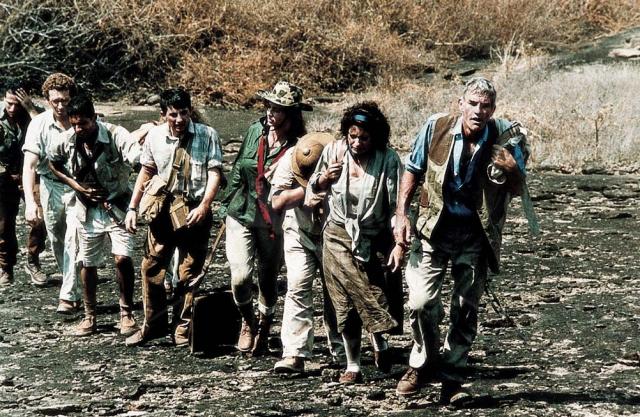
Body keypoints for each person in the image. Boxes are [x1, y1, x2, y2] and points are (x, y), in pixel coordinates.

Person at [391, 77, 529, 405]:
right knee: (421, 303)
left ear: (493, 109)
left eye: (486, 106)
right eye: (473, 104)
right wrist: (402, 214)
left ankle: (452, 375)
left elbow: (518, 190)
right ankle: (422, 363)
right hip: (433, 229)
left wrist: (512, 168)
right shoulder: (435, 128)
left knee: (466, 308)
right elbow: (412, 170)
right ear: (461, 104)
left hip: (476, 235)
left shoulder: (507, 136)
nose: (479, 111)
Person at [306, 101, 401, 384]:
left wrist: (398, 242)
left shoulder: (388, 160)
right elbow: (313, 187)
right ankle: (353, 364)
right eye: (353, 136)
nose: (357, 143)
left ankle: (380, 341)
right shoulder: (334, 151)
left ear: (376, 138)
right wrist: (324, 178)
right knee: (343, 302)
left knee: (372, 296)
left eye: (364, 138)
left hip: (373, 237)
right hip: (337, 236)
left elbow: (396, 206)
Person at [124, 88, 223, 347]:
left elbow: (215, 173)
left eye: (184, 113)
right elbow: (146, 171)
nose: (179, 119)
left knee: (188, 271)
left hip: (194, 211)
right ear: (163, 114)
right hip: (163, 211)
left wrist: (204, 206)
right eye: (173, 114)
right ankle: (153, 325)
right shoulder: (154, 137)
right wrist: (133, 208)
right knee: (152, 267)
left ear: (190, 111)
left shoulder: (208, 135)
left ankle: (182, 326)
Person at [222, 81, 311, 356]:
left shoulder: (300, 146)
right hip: (242, 211)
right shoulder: (255, 131)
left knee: (268, 279)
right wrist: (225, 203)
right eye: (269, 106)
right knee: (240, 276)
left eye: (278, 109)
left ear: (291, 113)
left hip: (275, 220)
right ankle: (247, 322)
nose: (271, 113)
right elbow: (238, 168)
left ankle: (264, 325)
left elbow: (306, 185)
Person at [48, 94, 142, 337]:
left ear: (95, 118)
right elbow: (53, 163)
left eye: (84, 124)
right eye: (74, 124)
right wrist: (77, 186)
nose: (79, 129)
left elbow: (141, 162)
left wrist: (136, 203)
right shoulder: (66, 139)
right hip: (87, 210)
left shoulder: (116, 135)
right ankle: (90, 316)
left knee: (122, 258)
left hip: (118, 205)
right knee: (87, 262)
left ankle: (126, 313)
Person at [270, 132, 344, 373]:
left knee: (336, 291)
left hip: (333, 231)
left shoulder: (342, 157)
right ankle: (294, 352)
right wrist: (312, 188)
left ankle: (341, 351)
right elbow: (277, 201)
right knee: (298, 285)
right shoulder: (292, 157)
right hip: (299, 230)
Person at [22, 73, 82, 312]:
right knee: (57, 238)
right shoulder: (39, 124)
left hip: (77, 186)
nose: (60, 106)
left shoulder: (81, 119)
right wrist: (30, 202)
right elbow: (29, 166)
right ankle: (73, 284)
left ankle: (68, 294)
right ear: (46, 100)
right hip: (50, 185)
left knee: (73, 237)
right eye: (55, 101)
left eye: (65, 100)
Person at [0, 79, 47, 286]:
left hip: (32, 173)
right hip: (4, 175)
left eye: (17, 104)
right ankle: (5, 267)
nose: (12, 109)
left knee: (40, 218)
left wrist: (29, 109)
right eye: (8, 103)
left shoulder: (37, 114)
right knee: (3, 225)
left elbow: (46, 132)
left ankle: (33, 260)